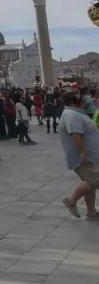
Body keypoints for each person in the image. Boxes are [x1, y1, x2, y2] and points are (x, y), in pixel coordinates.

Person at [59, 90, 99, 219]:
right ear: (73, 102)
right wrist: (83, 154)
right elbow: (76, 134)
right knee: (94, 180)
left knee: (90, 183)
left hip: (90, 157)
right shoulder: (71, 115)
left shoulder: (77, 114)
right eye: (81, 99)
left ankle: (91, 212)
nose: (85, 101)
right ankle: (71, 201)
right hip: (85, 158)